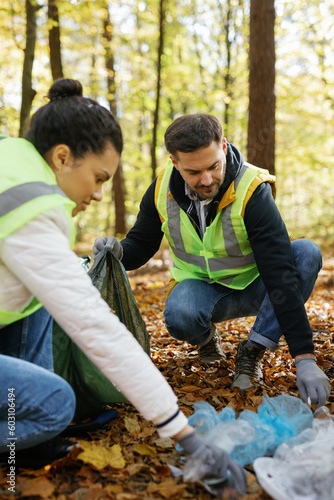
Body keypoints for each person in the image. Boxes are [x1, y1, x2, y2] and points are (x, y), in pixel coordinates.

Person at [0, 82, 246, 492]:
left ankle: (21, 437)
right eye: (97, 178)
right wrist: (183, 434)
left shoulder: (11, 155)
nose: (98, 194)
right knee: (55, 404)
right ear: (62, 157)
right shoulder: (33, 210)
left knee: (42, 298)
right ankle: (20, 434)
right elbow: (94, 325)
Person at [94, 113, 331, 408]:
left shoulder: (251, 190)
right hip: (203, 291)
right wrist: (120, 251)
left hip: (258, 285)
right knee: (180, 314)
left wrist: (304, 357)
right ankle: (206, 339)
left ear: (224, 146)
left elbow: (280, 271)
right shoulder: (160, 189)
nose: (206, 180)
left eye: (213, 166)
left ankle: (252, 350)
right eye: (194, 172)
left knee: (306, 254)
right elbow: (141, 245)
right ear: (175, 162)